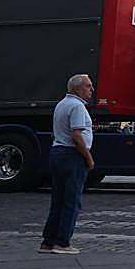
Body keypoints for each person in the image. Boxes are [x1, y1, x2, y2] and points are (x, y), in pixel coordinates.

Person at [40, 74, 95, 254]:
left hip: (57, 153)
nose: (91, 90)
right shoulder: (77, 107)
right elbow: (77, 135)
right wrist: (88, 157)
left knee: (58, 200)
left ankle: (48, 241)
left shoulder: (62, 104)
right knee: (71, 201)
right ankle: (62, 242)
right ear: (77, 89)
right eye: (88, 86)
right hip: (71, 155)